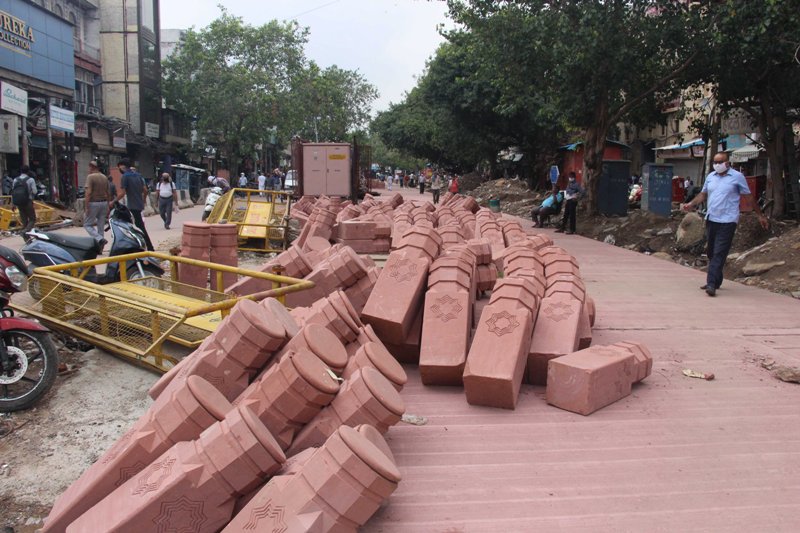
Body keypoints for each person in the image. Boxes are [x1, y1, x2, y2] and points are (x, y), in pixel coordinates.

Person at [682, 152, 768, 297]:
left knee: (719, 252)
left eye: (720, 161)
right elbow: (703, 194)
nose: (717, 164)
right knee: (711, 252)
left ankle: (711, 284)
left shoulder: (737, 177)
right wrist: (690, 204)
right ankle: (717, 279)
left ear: (727, 163)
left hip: (728, 220)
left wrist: (759, 215)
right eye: (715, 162)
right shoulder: (710, 177)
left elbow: (748, 197)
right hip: (712, 218)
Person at [116, 158, 154, 251]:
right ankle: (141, 246)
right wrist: (143, 200)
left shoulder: (125, 176)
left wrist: (113, 201)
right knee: (137, 226)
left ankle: (149, 247)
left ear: (123, 166)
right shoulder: (138, 175)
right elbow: (145, 190)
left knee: (138, 227)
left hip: (132, 206)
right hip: (139, 205)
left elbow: (123, 192)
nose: (119, 169)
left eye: (119, 167)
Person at [83, 160, 109, 248]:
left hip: (93, 203)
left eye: (91, 166)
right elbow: (108, 192)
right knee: (101, 226)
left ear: (94, 167)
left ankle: (99, 239)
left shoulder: (90, 177)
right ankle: (100, 248)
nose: (89, 168)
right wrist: (108, 205)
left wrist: (86, 207)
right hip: (104, 202)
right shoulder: (104, 177)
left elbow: (88, 193)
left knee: (87, 224)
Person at [11, 166, 37, 240]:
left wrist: (13, 204)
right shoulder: (30, 180)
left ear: (21, 171)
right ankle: (25, 231)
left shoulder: (15, 180)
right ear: (28, 171)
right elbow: (35, 191)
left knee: (24, 221)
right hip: (28, 202)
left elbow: (13, 193)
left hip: (18, 203)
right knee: (32, 219)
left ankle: (27, 240)